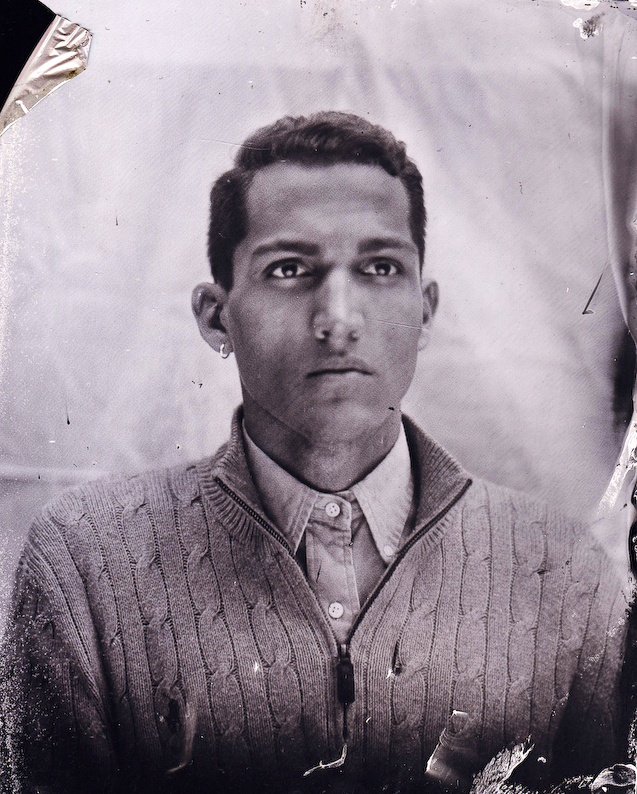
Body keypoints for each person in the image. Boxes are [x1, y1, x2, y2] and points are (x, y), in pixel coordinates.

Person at [0, 112, 629, 794]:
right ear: (215, 315)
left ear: (424, 311)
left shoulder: (563, 570)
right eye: (289, 268)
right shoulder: (84, 564)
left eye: (379, 267)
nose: (338, 319)